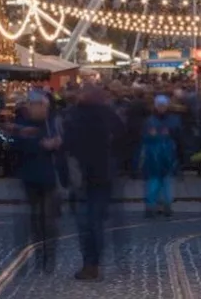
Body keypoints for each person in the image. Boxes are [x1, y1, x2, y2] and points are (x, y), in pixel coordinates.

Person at [64, 84, 123, 282]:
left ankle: (90, 264)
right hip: (102, 176)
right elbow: (123, 139)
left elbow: (68, 145)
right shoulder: (108, 115)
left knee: (87, 223)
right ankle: (92, 263)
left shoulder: (75, 116)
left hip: (85, 176)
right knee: (94, 222)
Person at [12, 91, 60, 272]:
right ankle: (39, 255)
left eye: (45, 107)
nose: (44, 110)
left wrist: (57, 145)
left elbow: (61, 144)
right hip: (31, 177)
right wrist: (39, 144)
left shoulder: (52, 122)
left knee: (48, 221)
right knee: (35, 220)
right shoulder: (24, 123)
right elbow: (17, 146)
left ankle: (49, 257)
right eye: (41, 106)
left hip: (48, 178)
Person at [141, 95, 180, 218]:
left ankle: (165, 205)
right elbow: (144, 137)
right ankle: (152, 206)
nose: (161, 108)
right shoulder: (151, 120)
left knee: (164, 181)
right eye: (159, 105)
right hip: (155, 154)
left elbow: (178, 134)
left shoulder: (168, 120)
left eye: (163, 105)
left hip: (165, 153)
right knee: (155, 182)